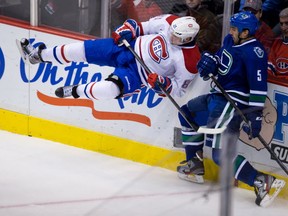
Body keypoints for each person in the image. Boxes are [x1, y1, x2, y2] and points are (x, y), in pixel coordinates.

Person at [176, 11, 285, 207]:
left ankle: (261, 181)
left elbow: (259, 88)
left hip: (231, 104)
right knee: (186, 113)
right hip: (216, 97)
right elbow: (220, 62)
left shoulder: (255, 53)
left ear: (246, 32)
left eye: (235, 28)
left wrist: (255, 116)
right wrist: (210, 64)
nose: (231, 31)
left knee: (221, 155)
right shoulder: (229, 40)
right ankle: (195, 164)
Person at [18, 14, 201, 101]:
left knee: (111, 89)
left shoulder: (191, 60)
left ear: (187, 39)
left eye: (176, 36)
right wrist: (129, 29)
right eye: (171, 32)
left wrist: (162, 83)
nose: (170, 35)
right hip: (126, 47)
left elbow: (178, 90)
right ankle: (38, 55)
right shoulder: (170, 21)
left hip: (136, 74)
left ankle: (76, 91)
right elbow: (144, 26)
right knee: (82, 49)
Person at [268, 7, 288, 77]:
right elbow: (270, 67)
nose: (283, 27)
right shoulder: (277, 42)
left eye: (287, 23)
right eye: (281, 24)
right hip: (277, 85)